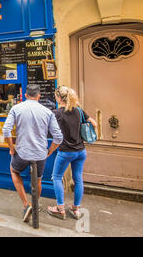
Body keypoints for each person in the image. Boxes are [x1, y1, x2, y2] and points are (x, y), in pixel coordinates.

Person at [3, 84, 63, 223]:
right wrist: (49, 151)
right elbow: (58, 137)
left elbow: (6, 130)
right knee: (38, 179)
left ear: (25, 95)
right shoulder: (47, 112)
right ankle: (35, 205)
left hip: (22, 152)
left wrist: (11, 148)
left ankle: (26, 205)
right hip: (40, 153)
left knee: (14, 171)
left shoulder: (16, 108)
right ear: (39, 96)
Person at [47, 86, 98, 220]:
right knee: (78, 178)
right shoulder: (79, 111)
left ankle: (60, 208)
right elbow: (94, 123)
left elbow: (50, 132)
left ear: (58, 98)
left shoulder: (56, 113)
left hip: (65, 151)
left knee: (57, 177)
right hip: (80, 151)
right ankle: (76, 209)